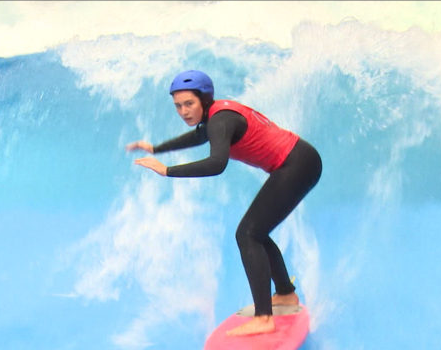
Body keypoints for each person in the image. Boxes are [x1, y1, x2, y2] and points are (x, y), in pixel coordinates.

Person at [126, 70, 322, 336]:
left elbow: (217, 163)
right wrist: (156, 148)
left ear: (204, 100)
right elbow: (201, 135)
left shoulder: (220, 121)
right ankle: (285, 295)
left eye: (189, 104)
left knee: (248, 234)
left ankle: (264, 318)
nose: (183, 112)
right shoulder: (217, 116)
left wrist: (167, 170)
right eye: (178, 106)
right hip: (300, 160)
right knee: (256, 232)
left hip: (297, 165)